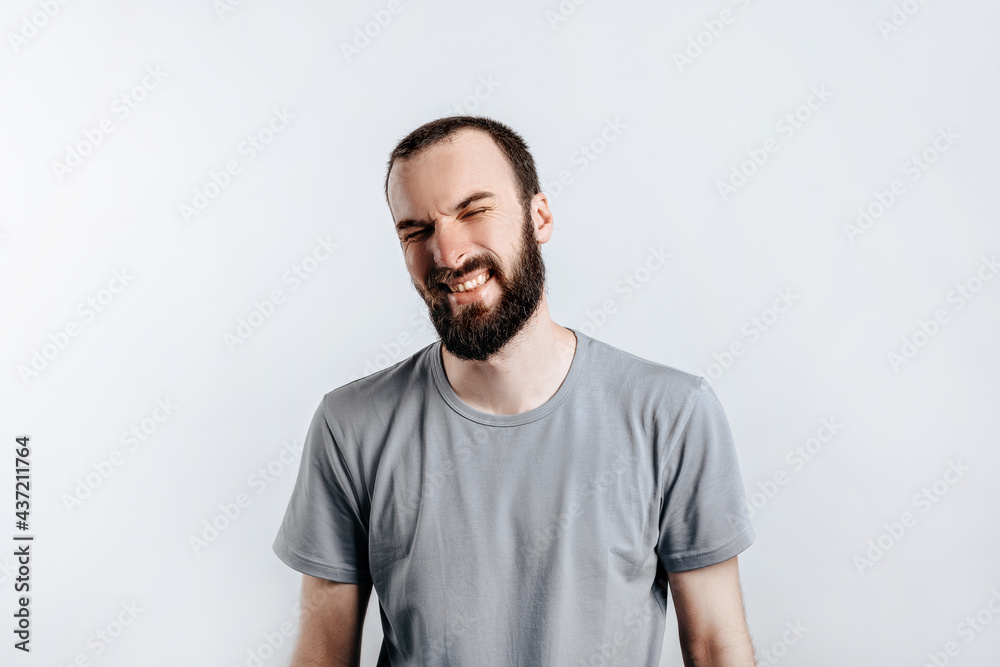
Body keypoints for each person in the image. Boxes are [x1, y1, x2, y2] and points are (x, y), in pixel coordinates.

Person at [272, 116, 757, 666]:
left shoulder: (673, 416)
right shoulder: (350, 427)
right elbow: (322, 654)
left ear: (539, 216)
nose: (447, 254)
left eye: (474, 210)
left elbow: (717, 647)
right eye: (416, 231)